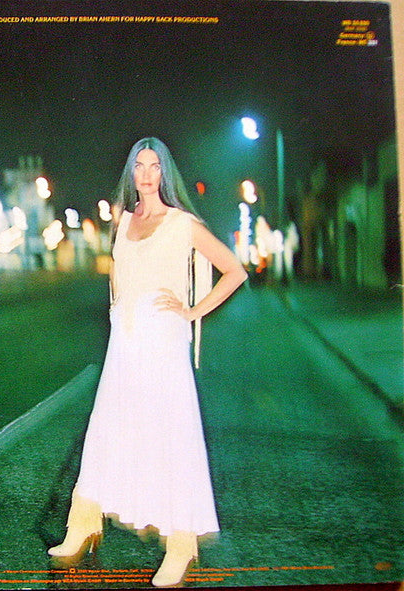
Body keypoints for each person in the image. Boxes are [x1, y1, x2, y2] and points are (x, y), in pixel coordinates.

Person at [48, 137, 247, 587]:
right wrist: (119, 311)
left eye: (155, 165)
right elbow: (119, 275)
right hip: (125, 343)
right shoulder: (123, 221)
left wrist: (193, 311)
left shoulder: (182, 223)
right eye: (139, 165)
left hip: (164, 345)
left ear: (165, 173)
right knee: (107, 427)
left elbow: (233, 270)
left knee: (170, 437)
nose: (146, 174)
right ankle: (83, 524)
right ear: (131, 173)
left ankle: (181, 546)